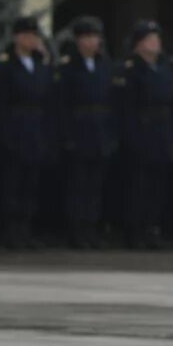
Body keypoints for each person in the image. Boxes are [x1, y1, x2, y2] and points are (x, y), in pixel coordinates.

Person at [0, 17, 54, 249]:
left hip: (35, 130)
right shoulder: (6, 66)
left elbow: (48, 100)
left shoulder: (41, 66)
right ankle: (10, 231)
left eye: (35, 35)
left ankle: (25, 230)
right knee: (12, 185)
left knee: (30, 184)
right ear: (17, 37)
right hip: (15, 128)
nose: (32, 39)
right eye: (27, 35)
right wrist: (4, 134)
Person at [114, 20, 173, 250]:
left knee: (157, 186)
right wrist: (131, 137)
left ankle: (152, 228)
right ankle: (134, 230)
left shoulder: (163, 68)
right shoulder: (131, 70)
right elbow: (126, 108)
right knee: (137, 186)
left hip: (161, 132)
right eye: (150, 39)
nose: (155, 43)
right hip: (142, 131)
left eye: (156, 39)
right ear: (138, 45)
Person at [56, 16, 117, 248]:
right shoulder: (69, 66)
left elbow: (112, 103)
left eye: (95, 37)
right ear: (79, 40)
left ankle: (91, 229)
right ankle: (76, 231)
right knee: (77, 186)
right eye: (87, 37)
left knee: (95, 187)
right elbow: (62, 105)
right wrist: (67, 136)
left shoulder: (104, 65)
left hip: (100, 131)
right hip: (79, 130)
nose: (92, 42)